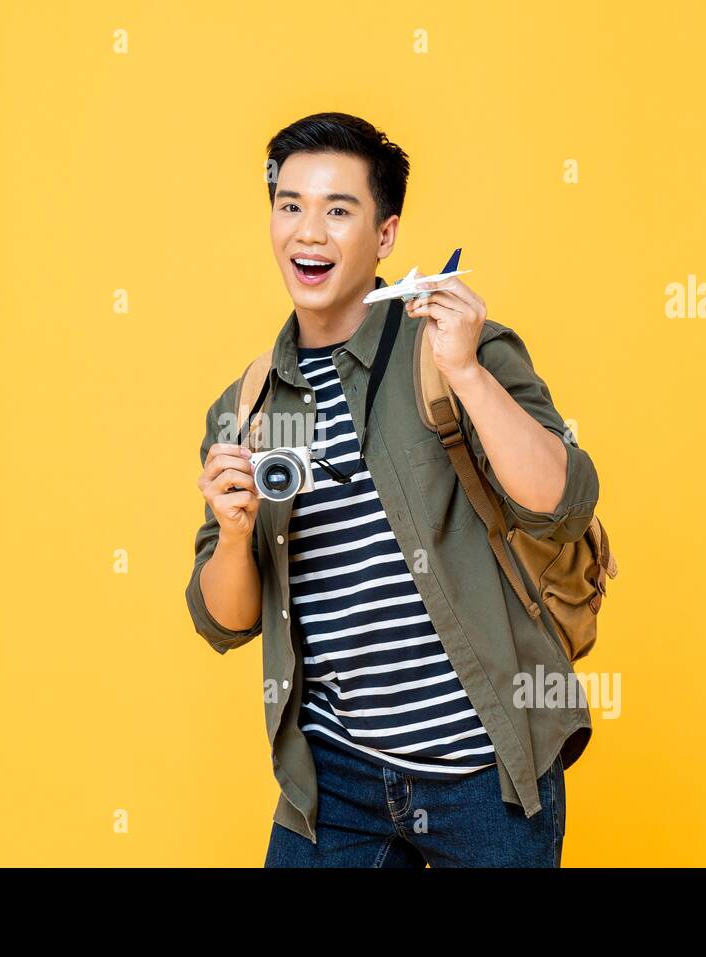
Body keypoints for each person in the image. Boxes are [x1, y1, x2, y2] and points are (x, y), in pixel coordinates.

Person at [185, 112, 600, 867]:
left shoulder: (451, 351)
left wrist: (470, 372)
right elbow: (224, 621)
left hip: (485, 775)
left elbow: (563, 503)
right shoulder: (247, 405)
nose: (308, 231)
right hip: (333, 782)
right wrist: (236, 529)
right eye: (290, 205)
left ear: (385, 234)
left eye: (338, 209)